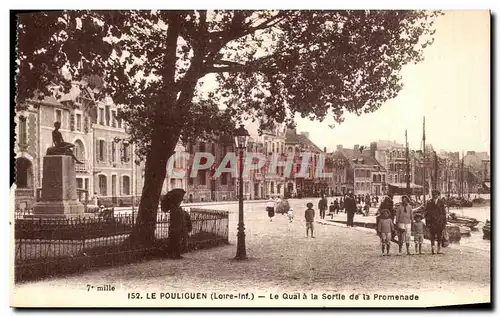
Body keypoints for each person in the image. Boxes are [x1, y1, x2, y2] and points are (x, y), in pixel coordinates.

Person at [162, 188, 191, 259]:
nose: (180, 201)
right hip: (176, 228)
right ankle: (174, 254)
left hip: (175, 228)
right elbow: (178, 218)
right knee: (175, 241)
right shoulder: (174, 209)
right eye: (179, 200)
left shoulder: (175, 208)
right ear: (176, 201)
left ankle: (176, 254)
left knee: (176, 241)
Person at [425, 190, 447, 255]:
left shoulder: (441, 202)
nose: (435, 195)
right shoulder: (429, 202)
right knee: (432, 236)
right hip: (432, 222)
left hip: (439, 222)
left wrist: (444, 222)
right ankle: (433, 249)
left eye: (436, 194)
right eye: (433, 194)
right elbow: (427, 213)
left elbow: (444, 213)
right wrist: (427, 222)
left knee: (439, 236)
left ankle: (438, 249)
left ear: (438, 195)